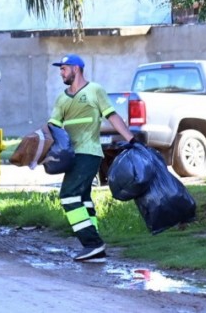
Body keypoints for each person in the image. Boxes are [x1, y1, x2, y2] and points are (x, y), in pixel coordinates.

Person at [48, 54, 136, 263]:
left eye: (64, 68)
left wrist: (131, 139)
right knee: (83, 200)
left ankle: (92, 244)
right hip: (71, 156)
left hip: (89, 153)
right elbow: (52, 127)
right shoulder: (62, 98)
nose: (61, 72)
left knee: (68, 196)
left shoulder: (95, 90)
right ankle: (96, 250)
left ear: (76, 69)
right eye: (60, 69)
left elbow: (112, 116)